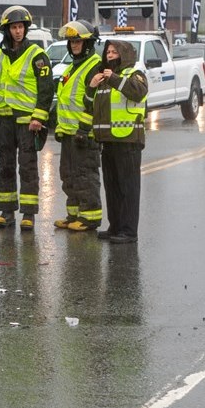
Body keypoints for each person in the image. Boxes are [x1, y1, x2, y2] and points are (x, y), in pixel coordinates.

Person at [0, 5, 53, 230]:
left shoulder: (37, 54)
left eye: (21, 27)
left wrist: (39, 117)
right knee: (4, 166)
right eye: (14, 27)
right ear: (7, 30)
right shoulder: (0, 54)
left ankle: (28, 214)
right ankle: (6, 212)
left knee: (27, 168)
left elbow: (46, 90)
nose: (18, 31)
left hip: (28, 121)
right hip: (5, 120)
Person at [89, 39, 147, 243]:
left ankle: (129, 231)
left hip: (128, 141)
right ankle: (115, 227)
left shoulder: (135, 75)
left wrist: (113, 78)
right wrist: (92, 86)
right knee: (112, 187)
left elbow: (138, 93)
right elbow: (93, 108)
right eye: (108, 52)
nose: (110, 55)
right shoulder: (104, 79)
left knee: (128, 188)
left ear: (124, 55)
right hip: (108, 142)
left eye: (114, 52)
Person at [53, 20, 105, 232]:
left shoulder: (95, 66)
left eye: (78, 41)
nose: (74, 45)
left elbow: (94, 103)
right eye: (72, 41)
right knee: (69, 175)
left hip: (85, 134)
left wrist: (84, 130)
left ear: (88, 43)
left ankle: (90, 217)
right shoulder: (72, 66)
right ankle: (73, 214)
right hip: (69, 132)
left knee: (85, 176)